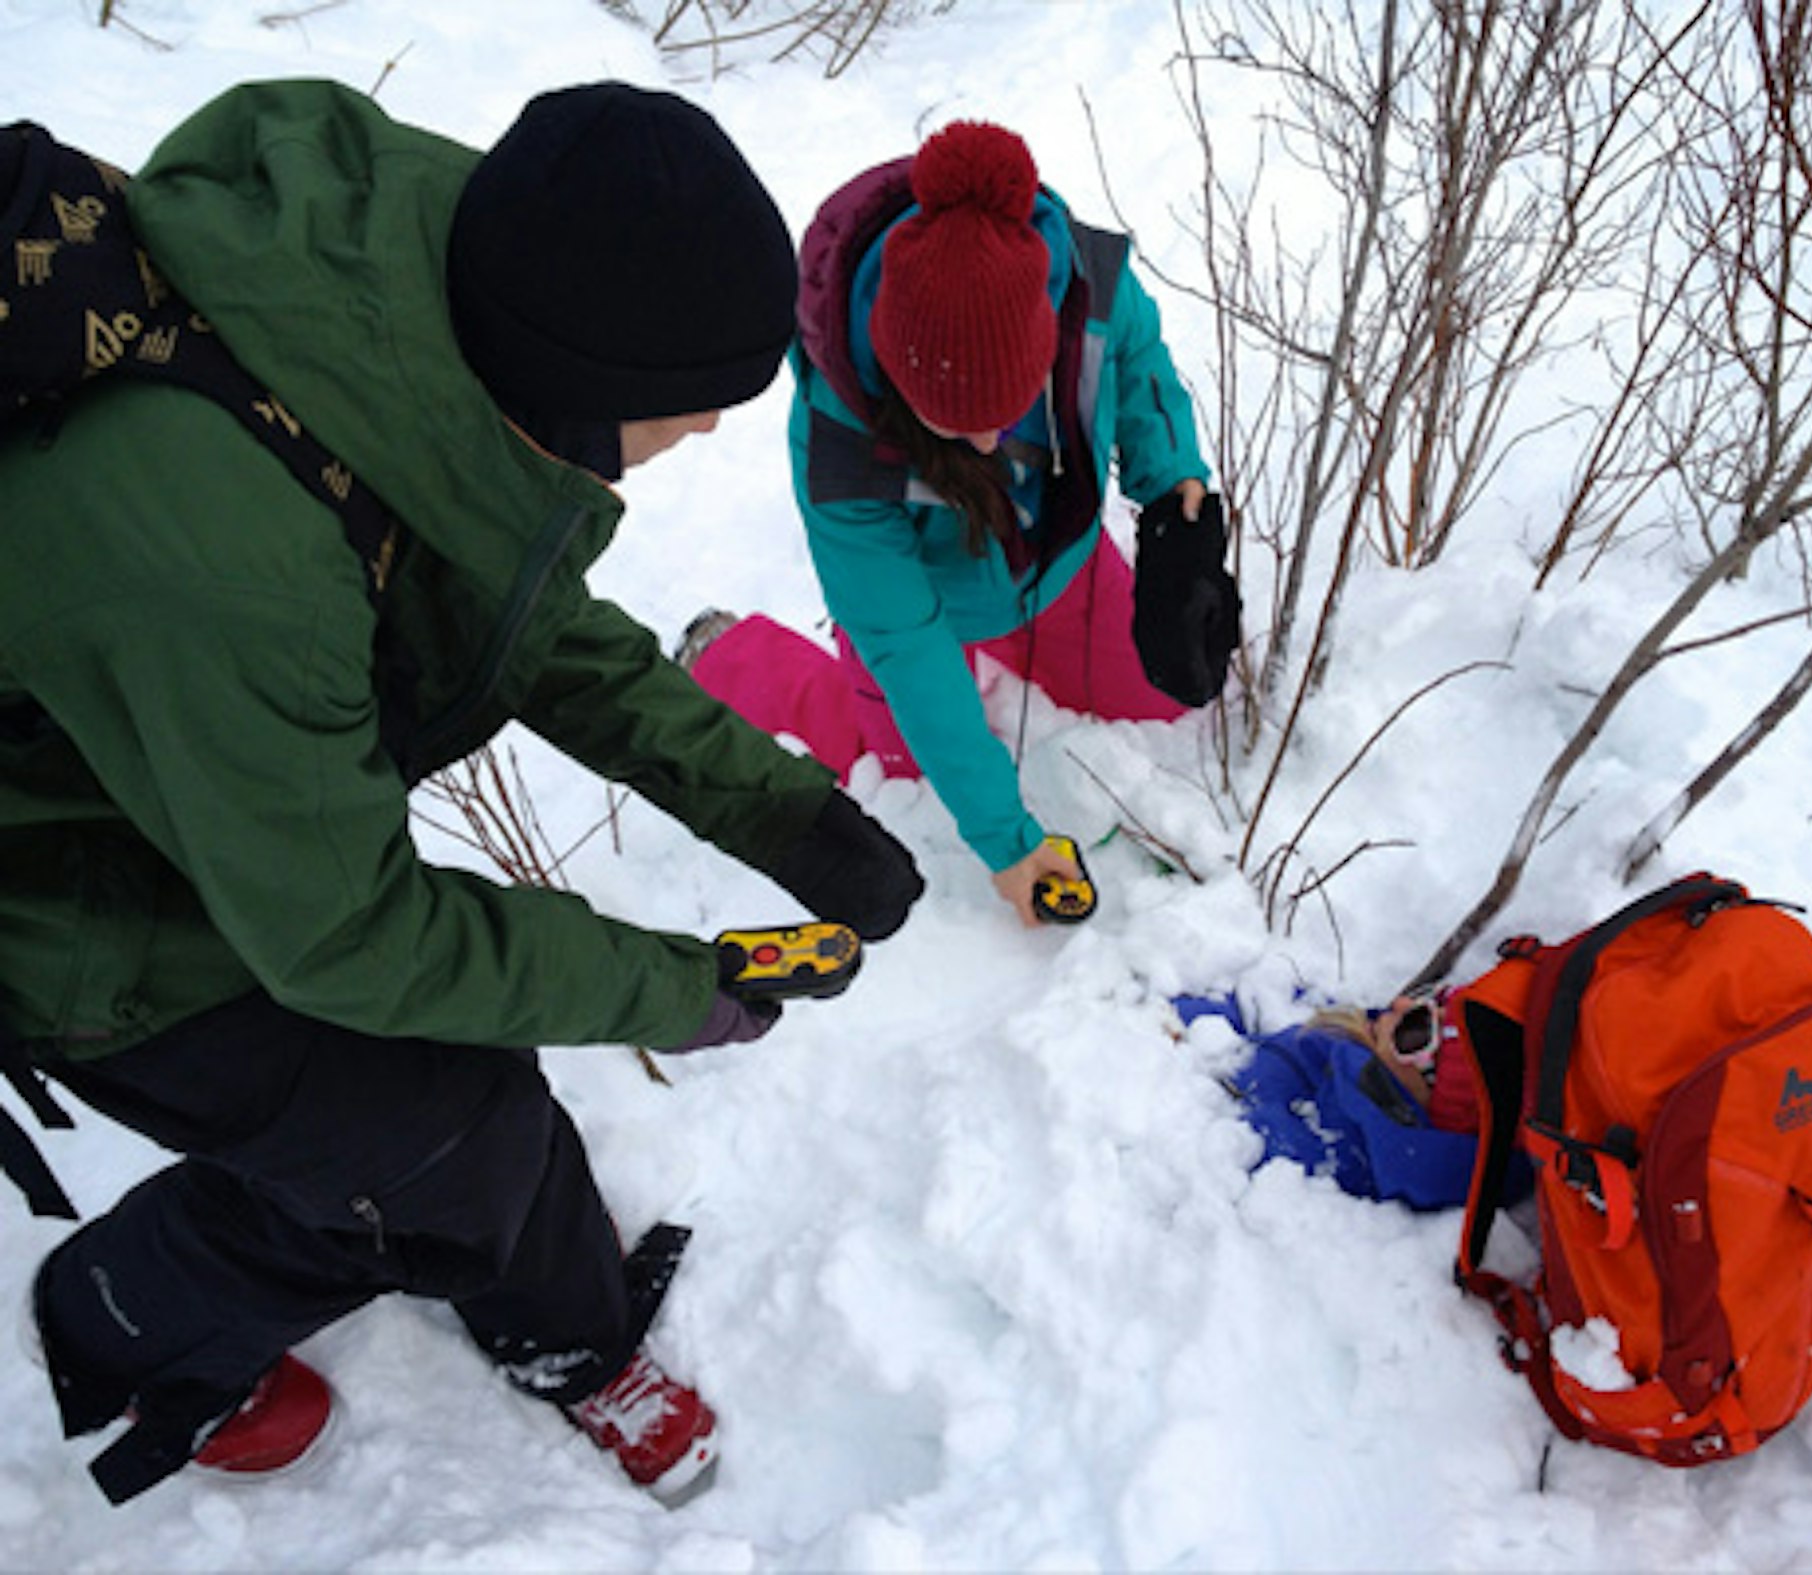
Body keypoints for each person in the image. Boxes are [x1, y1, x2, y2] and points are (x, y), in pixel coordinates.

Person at [0, 79, 923, 1506]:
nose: (712, 438)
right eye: (687, 415)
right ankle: (126, 1314)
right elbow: (350, 937)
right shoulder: (237, 568)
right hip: (76, 901)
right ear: (582, 387)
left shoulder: (430, 292)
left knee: (472, 1103)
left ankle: (560, 1313)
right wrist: (675, 981)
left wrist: (780, 809)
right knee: (432, 1137)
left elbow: (511, 610)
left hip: (195, 776)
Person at [683, 119, 1235, 927]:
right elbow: (908, 649)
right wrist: (1006, 840)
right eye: (953, 422)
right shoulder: (835, 440)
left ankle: (1011, 638)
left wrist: (1173, 487)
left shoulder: (1083, 285)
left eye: (1004, 412)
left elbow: (1138, 358)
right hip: (924, 607)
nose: (984, 441)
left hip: (1057, 563)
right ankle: (734, 654)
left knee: (1162, 698)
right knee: (901, 763)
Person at [1176, 987, 1528, 1210]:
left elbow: (1215, 1145)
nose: (1402, 1003)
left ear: (1423, 1102)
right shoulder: (1358, 1034)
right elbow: (1257, 997)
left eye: (1417, 1029)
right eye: (1432, 1001)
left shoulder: (1345, 1149)